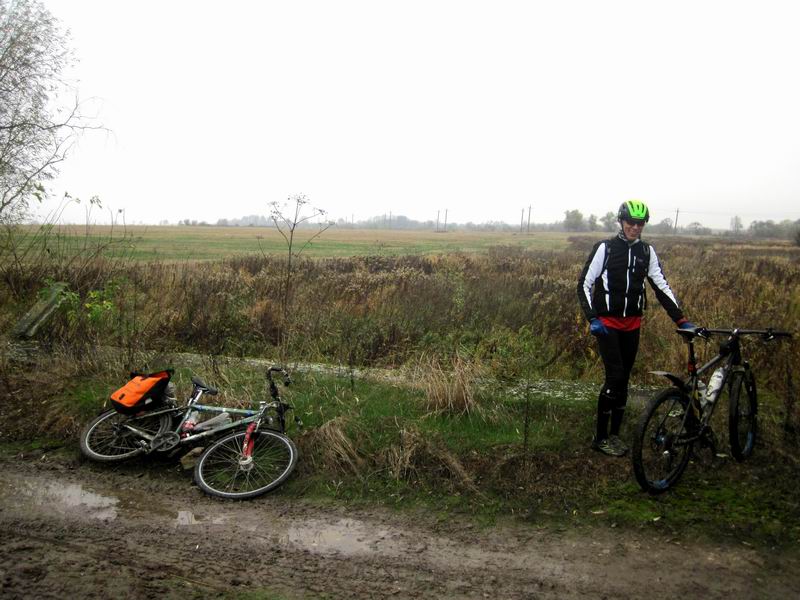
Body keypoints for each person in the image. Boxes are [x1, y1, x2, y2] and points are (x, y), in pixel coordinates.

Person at [577, 200, 695, 457]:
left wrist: (681, 320)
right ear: (621, 221)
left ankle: (615, 435)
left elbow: (661, 286)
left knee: (624, 381)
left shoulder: (647, 252)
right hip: (607, 325)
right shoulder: (605, 249)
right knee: (615, 378)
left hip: (633, 325)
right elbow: (584, 284)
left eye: (640, 223)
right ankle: (600, 437)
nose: (634, 227)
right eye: (630, 222)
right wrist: (592, 319)